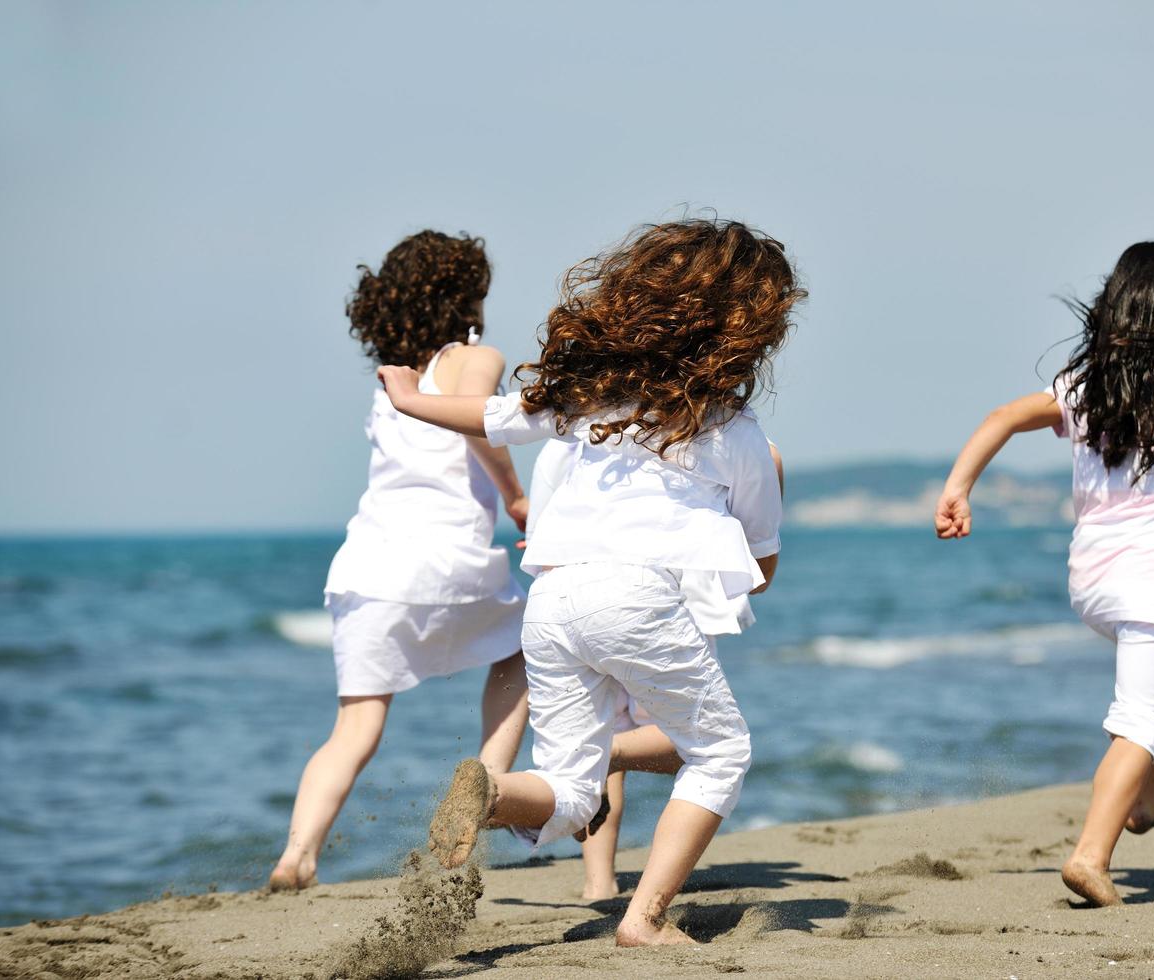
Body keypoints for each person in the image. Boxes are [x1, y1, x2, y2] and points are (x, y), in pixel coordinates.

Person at [376, 218, 802, 945]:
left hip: (552, 599)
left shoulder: (585, 399)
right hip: (634, 600)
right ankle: (646, 920)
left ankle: (494, 792)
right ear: (745, 333)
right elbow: (759, 564)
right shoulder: (733, 428)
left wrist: (413, 401)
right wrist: (747, 558)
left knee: (572, 790)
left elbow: (494, 416)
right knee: (721, 752)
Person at [934, 241, 1154, 906]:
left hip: (1092, 583)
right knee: (1140, 722)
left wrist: (958, 487)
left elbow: (1003, 417)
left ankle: (1145, 796)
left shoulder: (1085, 386)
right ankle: (1091, 855)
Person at [269, 231, 531, 891]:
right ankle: (486, 782)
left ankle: (297, 855)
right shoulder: (473, 359)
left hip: (366, 570)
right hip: (446, 560)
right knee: (523, 654)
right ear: (466, 297)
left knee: (355, 727)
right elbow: (480, 424)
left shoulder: (393, 382)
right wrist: (518, 497)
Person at [526, 438, 784, 901]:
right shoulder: (744, 440)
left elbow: (542, 542)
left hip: (567, 602)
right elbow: (758, 562)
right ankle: (641, 900)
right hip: (666, 603)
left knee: (603, 743)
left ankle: (598, 883)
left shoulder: (564, 444)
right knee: (703, 745)